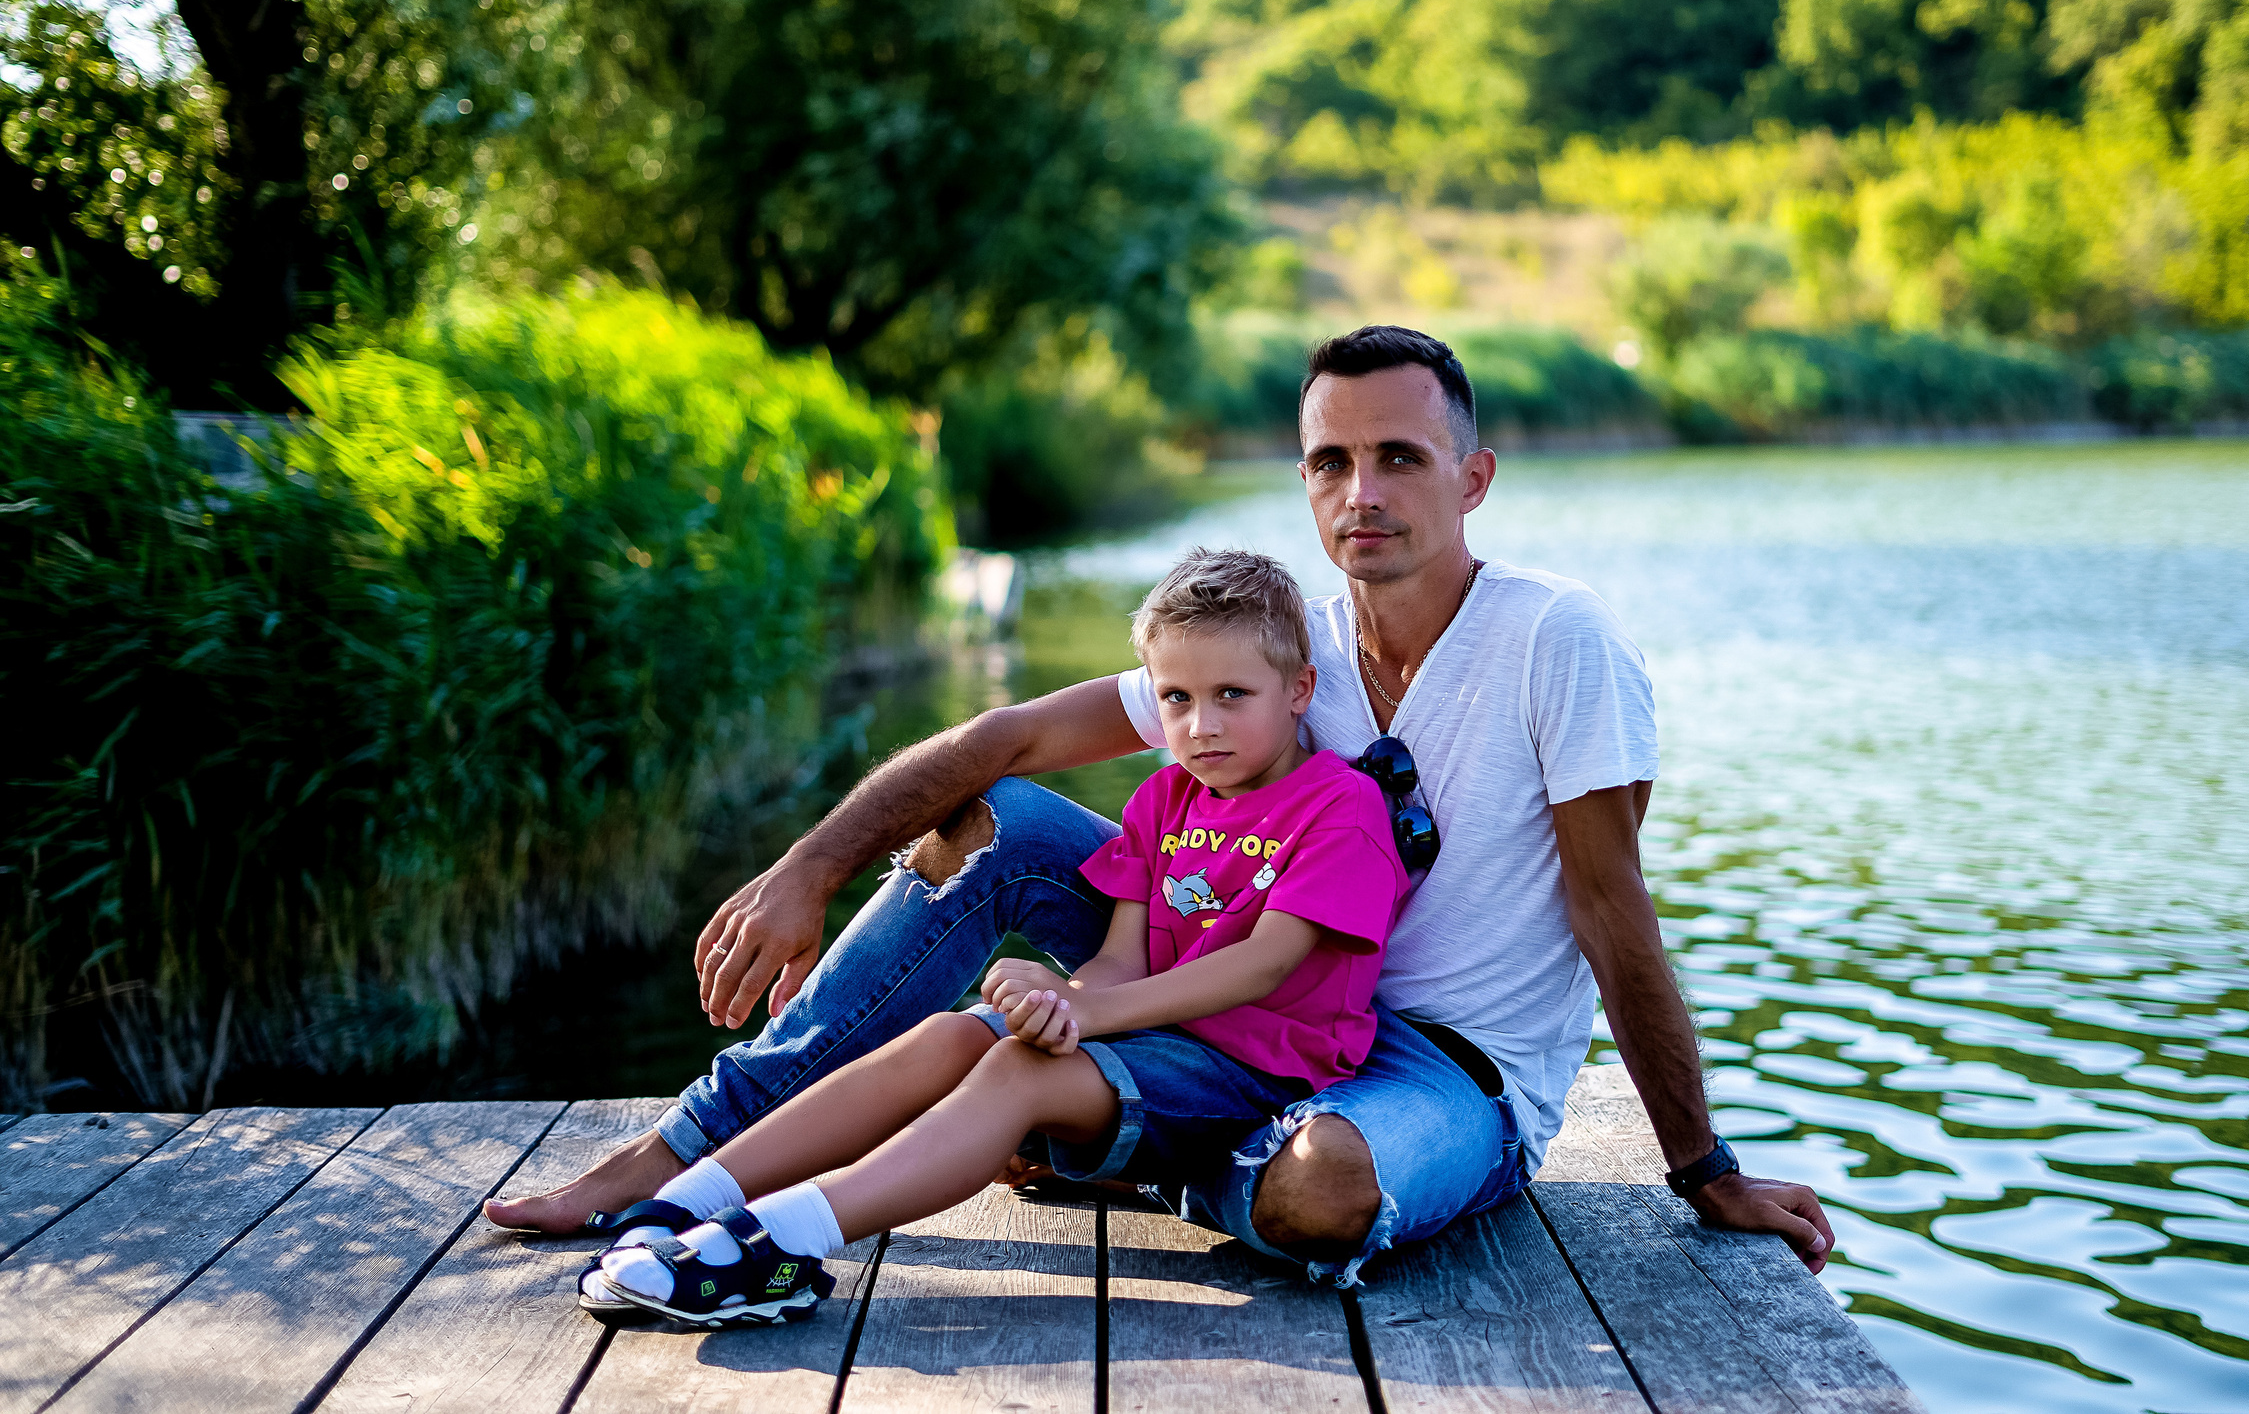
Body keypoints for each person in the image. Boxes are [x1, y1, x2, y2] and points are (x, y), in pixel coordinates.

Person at [490, 324, 1836, 1284]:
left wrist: (1700, 1164)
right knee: (1000, 819)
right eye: (1330, 460)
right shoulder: (1271, 643)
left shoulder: (1560, 639)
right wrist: (809, 861)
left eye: (1402, 457)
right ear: (1304, 478)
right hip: (1233, 1000)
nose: (1362, 492)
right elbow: (1009, 732)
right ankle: (682, 1152)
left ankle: (1112, 1141)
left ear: (1471, 476)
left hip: (1437, 1059)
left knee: (1319, 1192)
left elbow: (1614, 910)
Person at [574, 548, 1408, 1325]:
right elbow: (1123, 954)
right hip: (1159, 1039)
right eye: (1177, 700)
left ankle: (778, 1246)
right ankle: (688, 1199)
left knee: (1011, 1067)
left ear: (1299, 689)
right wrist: (1060, 997)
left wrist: (1084, 1016)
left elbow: (1262, 966)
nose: (1201, 726)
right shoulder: (1165, 803)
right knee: (950, 1034)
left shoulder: (1340, 806)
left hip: (1263, 1079)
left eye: (1233, 695)